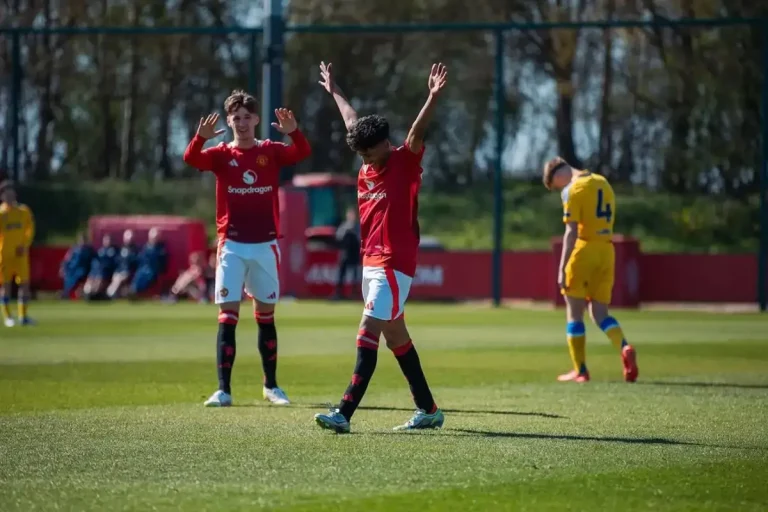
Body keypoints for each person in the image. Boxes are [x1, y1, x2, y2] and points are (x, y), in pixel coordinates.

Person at [313, 61, 447, 433]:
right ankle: (429, 409)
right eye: (362, 156)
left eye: (370, 154)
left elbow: (418, 134)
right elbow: (351, 119)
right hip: (371, 263)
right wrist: (334, 90)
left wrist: (432, 98)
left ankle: (343, 412)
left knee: (366, 330)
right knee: (397, 339)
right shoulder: (366, 155)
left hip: (394, 262)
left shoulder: (403, 162)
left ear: (386, 145)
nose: (367, 161)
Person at [183, 89, 311, 407]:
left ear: (255, 119)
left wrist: (293, 130)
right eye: (235, 118)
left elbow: (303, 152)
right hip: (232, 245)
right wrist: (200, 138)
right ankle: (223, 390)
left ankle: (271, 386)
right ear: (229, 120)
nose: (241, 123)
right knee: (228, 316)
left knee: (265, 317)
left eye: (246, 117)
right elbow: (190, 159)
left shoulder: (271, 150)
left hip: (265, 244)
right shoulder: (221, 154)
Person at [542, 157, 639, 383]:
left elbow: (571, 232)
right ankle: (624, 348)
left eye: (556, 185)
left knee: (575, 312)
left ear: (557, 175)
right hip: (606, 250)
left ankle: (581, 370)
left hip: (583, 250)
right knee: (600, 313)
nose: (560, 189)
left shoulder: (573, 190)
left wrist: (562, 266)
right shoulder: (603, 182)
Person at [0, 181, 35, 326]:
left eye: (11, 192)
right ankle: (8, 317)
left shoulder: (23, 211)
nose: (9, 195)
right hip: (4, 255)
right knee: (5, 285)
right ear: (2, 196)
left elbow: (30, 229)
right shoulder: (1, 214)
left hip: (20, 254)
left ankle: (23, 316)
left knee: (24, 284)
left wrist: (25, 244)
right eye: (6, 193)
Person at [127, 227, 168, 298]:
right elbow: (140, 259)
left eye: (155, 237)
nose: (154, 239)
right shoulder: (145, 247)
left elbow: (162, 262)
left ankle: (135, 292)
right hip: (143, 269)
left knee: (147, 275)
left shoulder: (160, 248)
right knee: (139, 274)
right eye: (152, 237)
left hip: (153, 270)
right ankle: (133, 290)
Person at [333, 207, 361, 300]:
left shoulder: (357, 226)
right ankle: (339, 293)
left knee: (355, 274)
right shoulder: (344, 226)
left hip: (355, 253)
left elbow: (360, 239)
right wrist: (346, 231)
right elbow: (338, 237)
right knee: (341, 274)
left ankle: (354, 293)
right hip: (345, 253)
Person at [60, 232, 95, 299]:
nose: (82, 242)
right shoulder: (74, 249)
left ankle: (68, 294)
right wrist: (63, 268)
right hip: (72, 270)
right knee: (68, 279)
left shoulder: (89, 250)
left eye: (84, 240)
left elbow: (92, 261)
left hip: (83, 271)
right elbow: (66, 260)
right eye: (81, 240)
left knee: (77, 278)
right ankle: (66, 294)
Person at [83, 234, 118, 301]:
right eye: (105, 240)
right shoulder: (100, 251)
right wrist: (92, 274)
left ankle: (95, 295)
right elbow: (95, 264)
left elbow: (113, 264)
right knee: (90, 283)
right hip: (96, 273)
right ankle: (90, 294)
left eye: (108, 240)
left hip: (105, 274)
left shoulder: (114, 251)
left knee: (98, 282)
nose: (107, 241)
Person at [107, 229, 140, 299]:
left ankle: (110, 294)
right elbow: (118, 262)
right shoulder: (120, 249)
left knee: (118, 279)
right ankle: (110, 294)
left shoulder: (135, 250)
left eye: (130, 238)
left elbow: (135, 263)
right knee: (116, 278)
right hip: (119, 271)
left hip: (128, 272)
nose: (128, 240)